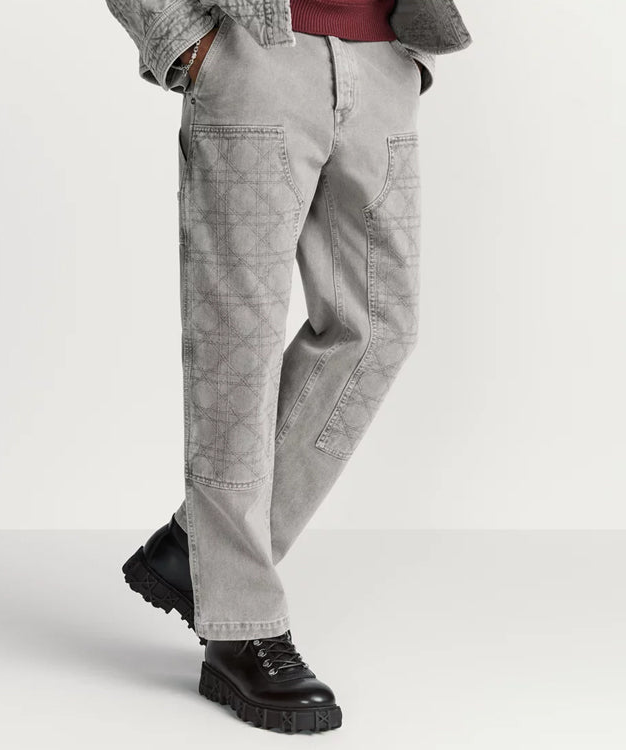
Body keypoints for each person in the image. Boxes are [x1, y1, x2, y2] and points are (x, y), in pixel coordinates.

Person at [105, 0, 471, 733]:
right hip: (257, 55)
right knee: (236, 351)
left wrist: (411, 60)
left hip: (384, 59)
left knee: (379, 331)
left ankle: (197, 551)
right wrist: (184, 41)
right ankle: (240, 625)